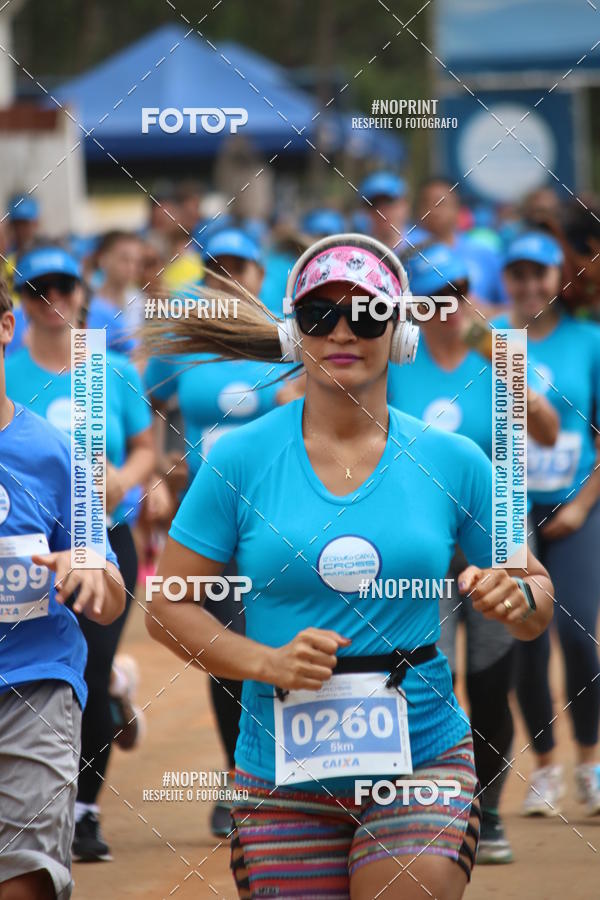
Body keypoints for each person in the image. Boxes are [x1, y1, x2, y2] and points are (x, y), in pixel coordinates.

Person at [144, 232, 553, 899]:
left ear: (398, 333)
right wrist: (266, 662)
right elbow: (168, 607)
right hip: (278, 769)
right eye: (318, 314)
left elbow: (535, 596)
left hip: (425, 757)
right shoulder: (240, 459)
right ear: (294, 330)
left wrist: (519, 602)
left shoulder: (457, 461)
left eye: (366, 315)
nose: (342, 331)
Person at [388, 242, 559, 863]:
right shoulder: (395, 361)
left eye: (456, 292)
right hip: (421, 543)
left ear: (471, 295)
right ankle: (425, 809)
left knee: (491, 681)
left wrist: (521, 383)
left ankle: (487, 813)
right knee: (426, 674)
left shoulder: (500, 352)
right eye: (433, 297)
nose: (446, 307)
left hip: (498, 539)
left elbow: (546, 434)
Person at [6, 244, 155, 862]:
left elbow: (148, 446)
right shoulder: (11, 369)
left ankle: (85, 812)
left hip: (93, 539)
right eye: (41, 289)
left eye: (65, 288)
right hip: (28, 543)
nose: (55, 300)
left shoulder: (109, 369)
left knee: (85, 668)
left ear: (82, 294)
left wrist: (128, 480)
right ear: (23, 305)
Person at [144, 226, 291, 837]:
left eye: (242, 265)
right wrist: (156, 472)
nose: (230, 276)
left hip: (280, 514)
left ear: (262, 274)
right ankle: (240, 778)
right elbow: (149, 408)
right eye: (217, 266)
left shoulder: (287, 338)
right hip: (211, 521)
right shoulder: (182, 343)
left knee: (287, 635)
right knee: (225, 646)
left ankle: (297, 775)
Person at [0, 274, 125, 899]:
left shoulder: (55, 456)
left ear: (4, 328)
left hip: (33, 683)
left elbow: (108, 599)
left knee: (25, 877)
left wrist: (86, 574)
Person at [495, 231, 600, 816]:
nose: (530, 286)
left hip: (579, 506)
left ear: (558, 278)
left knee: (578, 630)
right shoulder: (494, 343)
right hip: (511, 509)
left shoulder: (589, 341)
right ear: (505, 281)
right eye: (518, 275)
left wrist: (583, 506)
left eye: (540, 274)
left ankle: (589, 762)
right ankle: (544, 767)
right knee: (524, 639)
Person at [416, 178, 504, 304]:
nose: (433, 211)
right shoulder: (409, 258)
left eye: (440, 203)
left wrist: (481, 313)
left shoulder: (485, 254)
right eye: (426, 203)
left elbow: (511, 310)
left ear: (457, 208)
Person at [86, 230, 144, 356]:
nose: (131, 267)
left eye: (136, 261)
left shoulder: (140, 302)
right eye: (124, 259)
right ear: (103, 260)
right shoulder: (86, 302)